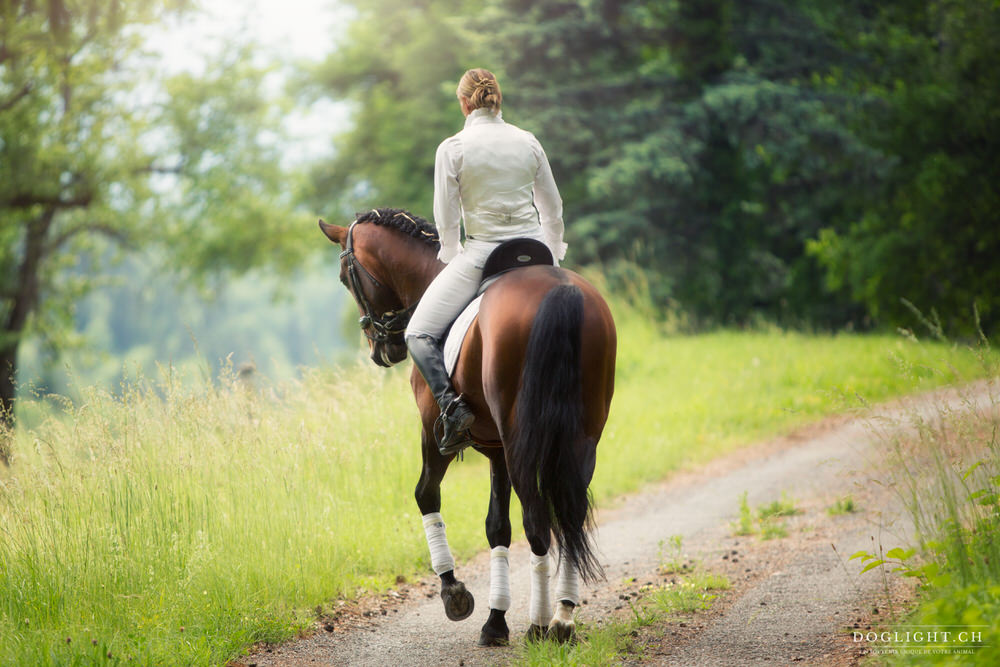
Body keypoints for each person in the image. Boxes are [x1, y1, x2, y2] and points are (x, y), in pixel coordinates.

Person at [404, 67, 567, 456]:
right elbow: (554, 208)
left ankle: (452, 410)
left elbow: (447, 221)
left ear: (463, 103)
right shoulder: (529, 142)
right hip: (537, 252)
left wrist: (452, 256)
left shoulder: (453, 148)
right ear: (498, 100)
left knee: (418, 334)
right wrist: (554, 253)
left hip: (482, 256)